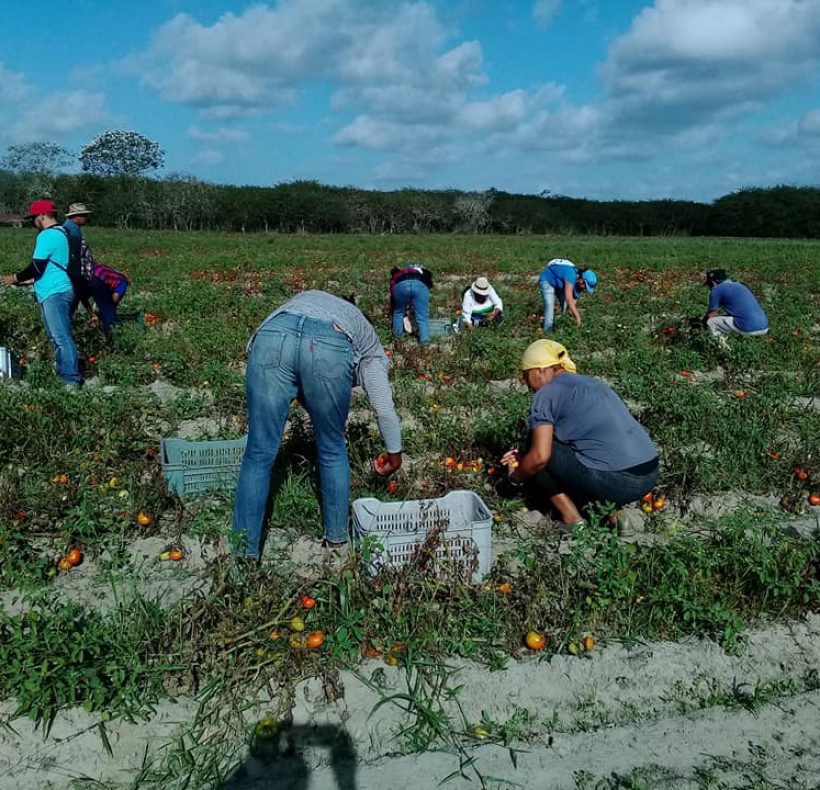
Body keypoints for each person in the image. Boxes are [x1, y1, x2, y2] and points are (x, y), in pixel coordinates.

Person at [233, 290, 403, 560]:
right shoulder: (367, 340)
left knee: (258, 453)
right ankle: (336, 541)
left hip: (272, 335)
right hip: (328, 346)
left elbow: (266, 351)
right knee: (332, 447)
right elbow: (383, 406)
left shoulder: (308, 297)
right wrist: (394, 453)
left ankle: (243, 557)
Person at [501, 339, 658, 530]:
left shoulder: (546, 394)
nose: (525, 382)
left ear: (539, 370)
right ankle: (617, 516)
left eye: (526, 375)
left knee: (533, 445)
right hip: (649, 473)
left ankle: (572, 520)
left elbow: (540, 457)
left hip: (616, 480)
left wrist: (516, 476)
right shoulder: (591, 383)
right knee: (591, 452)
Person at [1, 200, 83, 386]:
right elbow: (52, 266)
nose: (33, 223)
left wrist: (15, 277)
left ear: (42, 216)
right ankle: (65, 374)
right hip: (67, 289)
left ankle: (70, 379)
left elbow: (36, 266)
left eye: (34, 219)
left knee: (61, 337)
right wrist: (30, 281)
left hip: (55, 292)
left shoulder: (47, 236)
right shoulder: (66, 233)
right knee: (61, 335)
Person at [703, 269, 768, 344]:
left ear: (713, 283)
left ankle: (724, 350)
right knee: (729, 320)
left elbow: (712, 314)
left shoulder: (717, 289)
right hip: (764, 326)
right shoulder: (741, 285)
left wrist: (702, 324)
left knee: (711, 322)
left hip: (748, 327)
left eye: (709, 286)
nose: (709, 288)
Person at [538, 258, 597, 331]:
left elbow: (573, 302)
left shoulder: (579, 286)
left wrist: (572, 314)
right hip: (547, 280)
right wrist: (577, 317)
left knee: (566, 306)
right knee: (549, 305)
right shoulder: (571, 275)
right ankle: (547, 331)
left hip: (560, 284)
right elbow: (569, 298)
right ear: (581, 280)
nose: (585, 289)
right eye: (586, 286)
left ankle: (562, 328)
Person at [389, 263, 433, 344]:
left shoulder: (397, 275)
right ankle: (425, 342)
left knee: (398, 313)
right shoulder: (423, 273)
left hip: (401, 285)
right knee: (422, 317)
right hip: (420, 285)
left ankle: (397, 339)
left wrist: (393, 309)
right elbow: (429, 285)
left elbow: (392, 296)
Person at [89, 262, 130, 341]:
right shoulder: (122, 283)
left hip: (92, 274)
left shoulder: (111, 275)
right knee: (108, 311)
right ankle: (111, 338)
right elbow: (114, 299)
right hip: (99, 278)